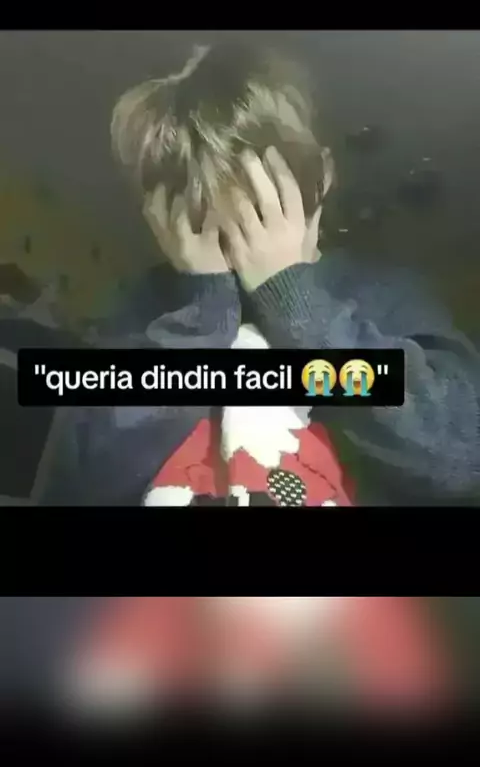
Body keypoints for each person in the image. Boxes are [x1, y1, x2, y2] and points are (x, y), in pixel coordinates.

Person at [38, 40, 480, 506]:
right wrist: (199, 316)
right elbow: (79, 480)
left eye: (259, 206)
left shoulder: (383, 295)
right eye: (206, 217)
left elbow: (459, 454)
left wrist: (293, 299)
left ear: (321, 177)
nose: (237, 238)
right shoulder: (145, 305)